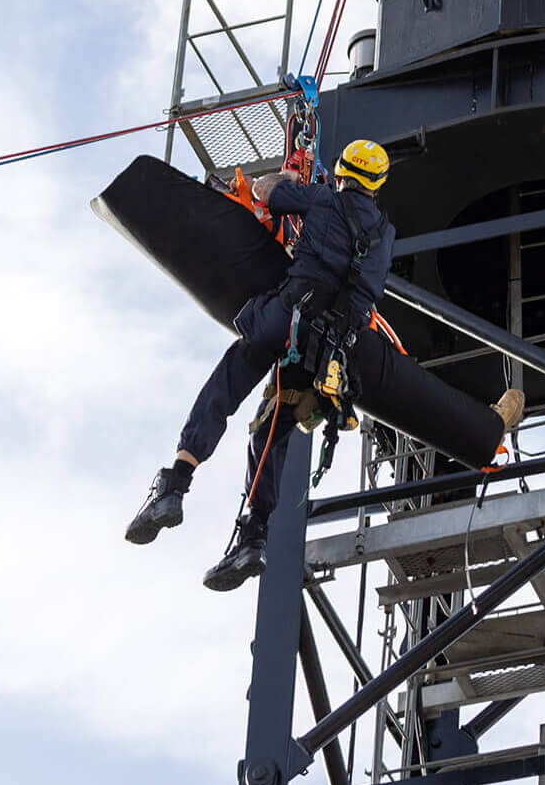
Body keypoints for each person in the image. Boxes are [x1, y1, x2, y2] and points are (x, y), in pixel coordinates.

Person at [125, 141, 399, 592]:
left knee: (224, 389)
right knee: (271, 429)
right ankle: (253, 537)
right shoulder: (385, 234)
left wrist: (285, 182)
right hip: (328, 348)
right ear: (379, 184)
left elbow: (265, 190)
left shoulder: (323, 200)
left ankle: (174, 485)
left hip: (286, 319)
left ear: (343, 173)